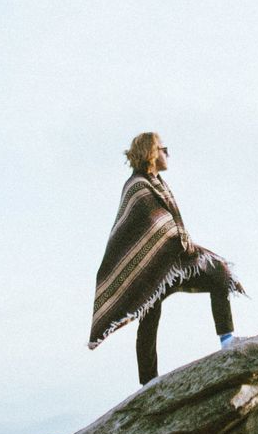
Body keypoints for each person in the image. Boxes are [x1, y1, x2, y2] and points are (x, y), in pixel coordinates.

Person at [88, 132, 244, 384]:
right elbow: (153, 226)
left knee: (219, 274)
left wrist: (178, 240)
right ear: (150, 153)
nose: (167, 153)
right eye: (163, 148)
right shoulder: (137, 186)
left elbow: (168, 225)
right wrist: (175, 239)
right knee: (150, 314)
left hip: (173, 262)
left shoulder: (157, 182)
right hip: (153, 266)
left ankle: (227, 340)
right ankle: (148, 381)